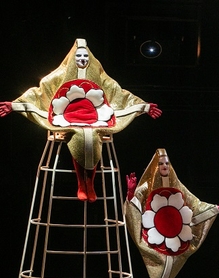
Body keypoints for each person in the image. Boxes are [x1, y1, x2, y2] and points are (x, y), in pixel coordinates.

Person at [0, 38, 162, 202]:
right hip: (66, 118)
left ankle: (90, 182)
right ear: (72, 59)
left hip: (95, 119)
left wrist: (143, 106)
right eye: (78, 57)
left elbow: (118, 93)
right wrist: (16, 105)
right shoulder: (59, 75)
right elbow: (40, 92)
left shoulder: (100, 76)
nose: (82, 59)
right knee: (80, 135)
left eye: (85, 56)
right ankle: (81, 182)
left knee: (91, 136)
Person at [125, 148, 219, 278]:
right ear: (155, 166)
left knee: (169, 275)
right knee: (157, 274)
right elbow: (135, 203)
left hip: (174, 236)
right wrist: (131, 192)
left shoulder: (177, 186)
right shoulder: (147, 185)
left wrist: (218, 208)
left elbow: (195, 206)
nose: (164, 166)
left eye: (167, 163)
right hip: (155, 236)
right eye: (161, 163)